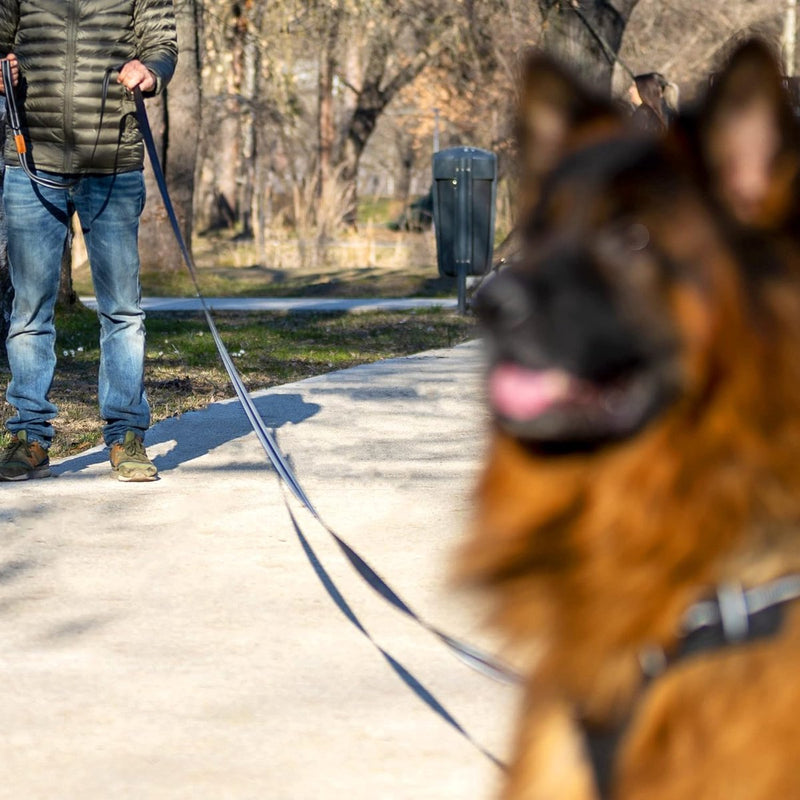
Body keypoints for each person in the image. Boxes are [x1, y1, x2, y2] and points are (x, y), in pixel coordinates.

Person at [0, 0, 178, 482]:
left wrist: (150, 69)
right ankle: (29, 436)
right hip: (31, 159)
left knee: (122, 309)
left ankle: (126, 435)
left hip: (114, 162)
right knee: (29, 309)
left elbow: (161, 43)